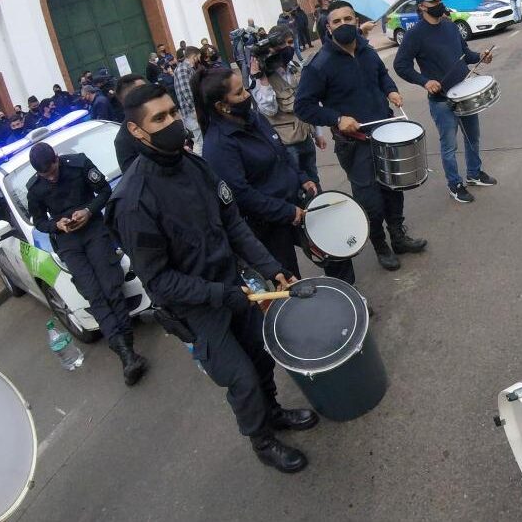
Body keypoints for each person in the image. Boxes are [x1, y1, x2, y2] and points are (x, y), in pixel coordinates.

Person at [106, 84, 317, 473]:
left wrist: (271, 268)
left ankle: (273, 412)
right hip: (198, 307)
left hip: (234, 285)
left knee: (261, 356)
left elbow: (232, 224)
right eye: (159, 118)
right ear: (137, 132)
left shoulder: (196, 165)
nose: (172, 122)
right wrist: (222, 294)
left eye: (173, 112)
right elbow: (160, 282)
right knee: (241, 379)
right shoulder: (133, 202)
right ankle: (262, 439)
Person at [295, 0, 428, 271]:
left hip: (386, 134)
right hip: (354, 145)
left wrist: (390, 90)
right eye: (337, 21)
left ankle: (399, 237)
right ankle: (381, 245)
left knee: (394, 189)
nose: (344, 24)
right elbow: (303, 106)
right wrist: (336, 118)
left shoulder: (367, 50)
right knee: (370, 200)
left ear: (356, 20)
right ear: (328, 28)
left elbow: (382, 76)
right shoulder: (319, 65)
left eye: (348, 19)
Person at [195, 65, 356, 285]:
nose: (247, 95)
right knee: (290, 279)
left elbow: (281, 152)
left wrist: (302, 178)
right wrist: (285, 211)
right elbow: (241, 194)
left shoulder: (255, 119)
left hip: (296, 202)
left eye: (244, 89)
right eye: (239, 93)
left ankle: (347, 295)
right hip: (268, 223)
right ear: (222, 106)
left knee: (334, 249)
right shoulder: (218, 145)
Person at [26, 142, 147, 385]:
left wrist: (89, 211)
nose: (51, 177)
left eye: (53, 170)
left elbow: (104, 191)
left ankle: (127, 351)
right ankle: (126, 353)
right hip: (68, 242)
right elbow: (38, 221)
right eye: (45, 175)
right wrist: (56, 225)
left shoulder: (78, 163)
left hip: (94, 231)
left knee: (111, 287)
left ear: (57, 159)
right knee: (94, 294)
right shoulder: (35, 188)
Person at [394, 0, 498, 204]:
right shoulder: (414, 35)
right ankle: (454, 184)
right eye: (434, 2)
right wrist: (425, 81)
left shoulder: (450, 27)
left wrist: (481, 56)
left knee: (473, 138)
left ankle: (474, 173)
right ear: (422, 7)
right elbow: (401, 65)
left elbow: (465, 54)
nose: (439, 5)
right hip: (441, 100)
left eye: (440, 0)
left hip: (465, 94)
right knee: (449, 146)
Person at [249, 26, 325, 189]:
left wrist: (317, 133)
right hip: (285, 144)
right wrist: (262, 79)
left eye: (291, 42)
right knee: (296, 184)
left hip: (305, 136)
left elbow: (309, 101)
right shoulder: (260, 76)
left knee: (313, 178)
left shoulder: (295, 67)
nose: (289, 48)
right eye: (285, 43)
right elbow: (269, 110)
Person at [113, 74, 148, 172]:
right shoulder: (123, 141)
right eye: (144, 90)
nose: (150, 92)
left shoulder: (162, 115)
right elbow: (134, 177)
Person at [173, 46, 203, 153]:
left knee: (200, 140)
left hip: (192, 111)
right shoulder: (183, 68)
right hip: (191, 113)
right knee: (200, 142)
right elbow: (186, 91)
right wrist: (195, 109)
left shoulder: (186, 68)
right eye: (198, 57)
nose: (199, 60)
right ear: (194, 56)